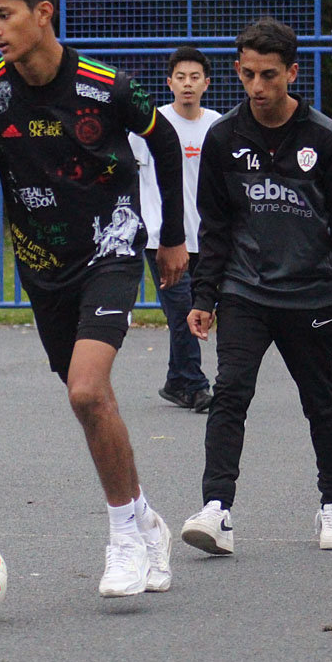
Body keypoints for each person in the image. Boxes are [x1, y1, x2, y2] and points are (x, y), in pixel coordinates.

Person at [0, 0, 188, 598]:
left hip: (111, 247)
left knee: (85, 392)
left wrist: (172, 238)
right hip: (42, 266)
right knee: (93, 403)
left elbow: (163, 146)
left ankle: (123, 539)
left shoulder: (107, 88)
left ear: (43, 12)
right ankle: (145, 518)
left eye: (5, 15)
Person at [180, 17, 332, 554]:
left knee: (322, 402)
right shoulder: (224, 138)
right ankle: (216, 509)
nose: (258, 88)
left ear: (292, 71)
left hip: (312, 294)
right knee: (230, 394)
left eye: (268, 75)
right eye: (247, 75)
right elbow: (215, 226)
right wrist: (204, 294)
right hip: (245, 290)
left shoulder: (325, 139)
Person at [128, 47, 220, 414]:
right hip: (162, 238)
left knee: (198, 310)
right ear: (169, 83)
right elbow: (132, 177)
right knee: (183, 310)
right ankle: (196, 386)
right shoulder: (151, 126)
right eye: (180, 77)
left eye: (194, 77)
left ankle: (175, 380)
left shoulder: (217, 125)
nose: (187, 84)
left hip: (206, 237)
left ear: (206, 84)